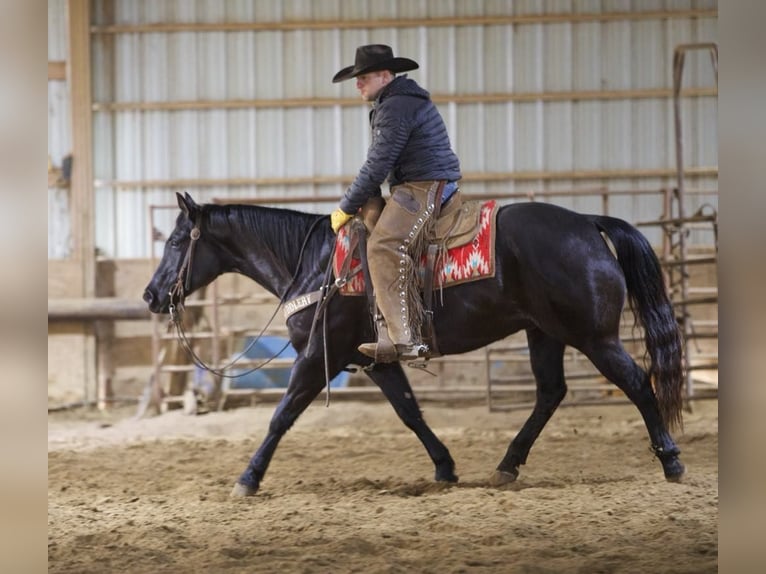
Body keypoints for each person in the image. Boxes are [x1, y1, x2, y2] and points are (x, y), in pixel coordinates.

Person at [329, 44, 462, 362]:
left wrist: (346, 206)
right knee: (374, 225)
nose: (357, 84)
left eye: (363, 77)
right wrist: (364, 199)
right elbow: (379, 164)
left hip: (425, 185)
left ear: (384, 75)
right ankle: (388, 328)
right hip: (415, 183)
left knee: (382, 247)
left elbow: (377, 164)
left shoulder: (396, 106)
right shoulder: (393, 103)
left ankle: (405, 341)